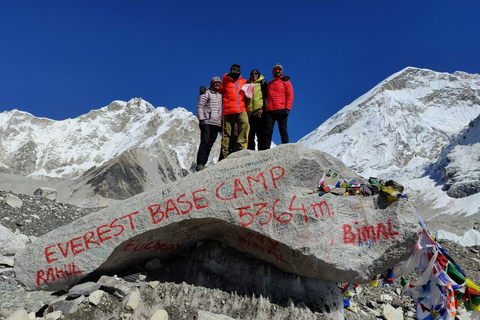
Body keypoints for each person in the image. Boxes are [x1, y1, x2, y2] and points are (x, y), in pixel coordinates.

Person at [219, 64, 249, 158]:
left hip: (241, 109)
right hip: (228, 111)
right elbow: (216, 89)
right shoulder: (225, 82)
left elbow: (254, 85)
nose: (235, 72)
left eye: (237, 70)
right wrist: (205, 89)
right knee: (227, 132)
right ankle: (225, 152)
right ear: (230, 71)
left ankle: (241, 146)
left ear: (240, 71)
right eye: (233, 70)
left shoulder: (244, 82)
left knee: (245, 124)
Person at [195, 76, 223, 171]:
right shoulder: (205, 93)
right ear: (212, 84)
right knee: (204, 142)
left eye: (219, 83)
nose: (217, 84)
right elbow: (200, 107)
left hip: (216, 124)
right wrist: (201, 120)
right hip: (207, 122)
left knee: (210, 144)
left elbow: (220, 110)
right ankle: (200, 164)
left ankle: (203, 164)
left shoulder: (220, 96)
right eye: (215, 82)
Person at [264, 63, 294, 149]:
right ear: (272, 72)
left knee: (283, 130)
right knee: (268, 131)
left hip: (281, 110)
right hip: (270, 110)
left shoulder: (286, 82)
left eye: (279, 70)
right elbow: (265, 95)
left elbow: (290, 95)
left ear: (282, 72)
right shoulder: (269, 84)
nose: (277, 71)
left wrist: (288, 108)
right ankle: (266, 149)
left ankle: (286, 148)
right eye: (275, 70)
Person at [246, 69, 267, 150]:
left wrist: (263, 109)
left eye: (256, 74)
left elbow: (265, 97)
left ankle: (261, 153)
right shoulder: (248, 84)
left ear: (259, 75)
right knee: (250, 135)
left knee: (260, 134)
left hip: (259, 112)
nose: (254, 75)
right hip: (250, 113)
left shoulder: (262, 83)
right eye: (252, 74)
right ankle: (251, 154)